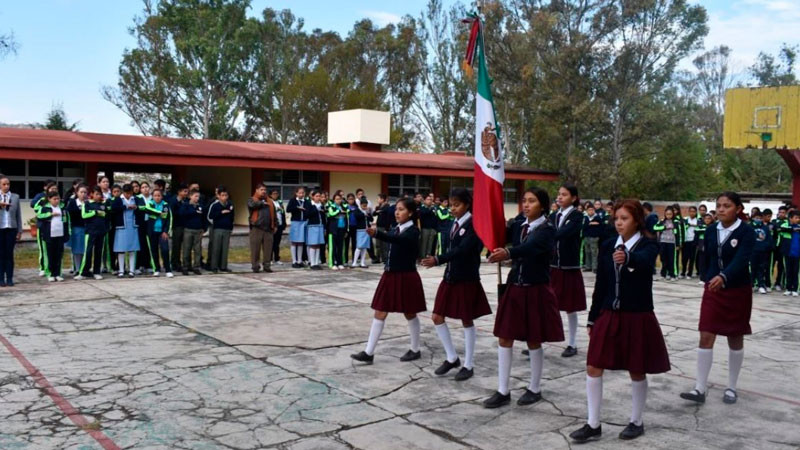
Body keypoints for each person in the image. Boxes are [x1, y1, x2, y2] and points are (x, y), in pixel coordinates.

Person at [569, 199, 670, 443]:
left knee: (636, 369)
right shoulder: (607, 245)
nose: (619, 223)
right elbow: (601, 285)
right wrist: (593, 318)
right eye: (616, 219)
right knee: (594, 365)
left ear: (636, 220)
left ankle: (636, 421)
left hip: (637, 315)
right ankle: (593, 424)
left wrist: (628, 259)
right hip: (608, 314)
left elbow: (646, 264)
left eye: (624, 219)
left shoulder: (648, 245)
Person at [484, 187, 563, 408]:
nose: (526, 205)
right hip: (515, 286)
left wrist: (508, 252)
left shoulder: (547, 229)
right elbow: (500, 233)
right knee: (504, 337)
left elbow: (531, 247)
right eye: (524, 201)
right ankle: (502, 390)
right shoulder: (520, 225)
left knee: (533, 340)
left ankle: (535, 388)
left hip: (535, 288)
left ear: (543, 206)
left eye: (532, 201)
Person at [680, 192, 754, 406]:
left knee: (735, 336)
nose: (721, 209)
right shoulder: (711, 230)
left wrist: (724, 276)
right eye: (719, 205)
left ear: (738, 209)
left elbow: (742, 259)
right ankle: (699, 388)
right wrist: (708, 277)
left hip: (737, 290)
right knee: (705, 335)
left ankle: (731, 387)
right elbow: (708, 256)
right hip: (714, 289)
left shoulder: (746, 232)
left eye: (727, 206)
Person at [422, 188, 491, 381]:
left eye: (457, 205)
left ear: (467, 204)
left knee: (467, 320)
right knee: (437, 317)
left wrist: (438, 259)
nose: (452, 209)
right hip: (450, 277)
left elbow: (462, 250)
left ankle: (468, 365)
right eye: (451, 204)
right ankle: (452, 357)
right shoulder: (455, 222)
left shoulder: (474, 225)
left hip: (466, 278)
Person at [351, 198, 425, 364]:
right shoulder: (396, 228)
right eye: (396, 209)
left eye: (401, 210)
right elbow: (393, 238)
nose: (397, 213)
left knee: (410, 313)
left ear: (411, 213)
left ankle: (415, 349)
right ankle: (368, 352)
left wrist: (377, 233)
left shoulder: (413, 231)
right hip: (390, 275)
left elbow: (398, 241)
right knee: (380, 312)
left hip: (406, 276)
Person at [550, 183, 586, 358]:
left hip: (569, 267)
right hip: (552, 266)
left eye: (564, 194)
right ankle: (538, 339)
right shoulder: (553, 215)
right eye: (559, 194)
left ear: (573, 198)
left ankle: (572, 343)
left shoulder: (577, 216)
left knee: (570, 307)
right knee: (547, 305)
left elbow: (562, 233)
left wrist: (546, 233)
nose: (560, 197)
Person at [37, 191, 70, 282]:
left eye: (58, 199)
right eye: (54, 199)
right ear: (49, 199)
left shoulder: (62, 209)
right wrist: (50, 214)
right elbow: (39, 216)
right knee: (50, 255)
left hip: (60, 235)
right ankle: (50, 273)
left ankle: (58, 273)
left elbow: (67, 221)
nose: (56, 201)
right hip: (49, 235)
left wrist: (68, 233)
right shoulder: (45, 208)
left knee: (59, 254)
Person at [111, 184, 142, 278]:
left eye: (129, 193)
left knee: (132, 249)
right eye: (126, 193)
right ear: (123, 192)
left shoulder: (136, 199)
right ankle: (121, 270)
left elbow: (142, 209)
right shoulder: (118, 199)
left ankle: (132, 270)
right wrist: (126, 207)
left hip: (132, 226)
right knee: (121, 249)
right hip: (121, 227)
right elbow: (114, 209)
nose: (128, 195)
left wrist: (136, 208)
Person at [80, 187, 110, 280]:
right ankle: (84, 272)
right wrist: (95, 212)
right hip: (90, 231)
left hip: (101, 232)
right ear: (92, 194)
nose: (98, 196)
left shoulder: (103, 205)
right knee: (88, 252)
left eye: (100, 194)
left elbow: (106, 216)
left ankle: (97, 271)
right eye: (96, 194)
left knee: (99, 252)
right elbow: (84, 215)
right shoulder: (87, 204)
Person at [144, 188, 173, 277]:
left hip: (162, 232)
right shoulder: (150, 203)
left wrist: (166, 231)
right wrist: (159, 213)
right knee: (154, 251)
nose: (157, 197)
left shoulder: (166, 205)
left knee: (165, 250)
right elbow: (147, 210)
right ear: (152, 196)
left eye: (159, 195)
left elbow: (169, 219)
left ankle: (168, 269)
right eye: (155, 196)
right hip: (152, 231)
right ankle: (156, 269)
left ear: (162, 196)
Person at [246, 184, 276, 274]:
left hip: (268, 228)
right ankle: (255, 266)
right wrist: (262, 203)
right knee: (255, 249)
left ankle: (267, 266)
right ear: (257, 190)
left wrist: (275, 225)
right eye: (261, 189)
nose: (264, 191)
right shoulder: (252, 199)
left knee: (268, 249)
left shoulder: (270, 201)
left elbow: (274, 214)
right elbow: (252, 205)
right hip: (256, 228)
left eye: (265, 190)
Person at [31, 180, 58, 277]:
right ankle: (42, 267)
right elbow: (35, 208)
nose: (54, 190)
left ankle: (54, 269)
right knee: (43, 249)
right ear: (47, 190)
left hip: (55, 228)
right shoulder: (42, 199)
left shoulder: (58, 201)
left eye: (56, 189)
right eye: (52, 189)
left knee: (54, 250)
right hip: (43, 227)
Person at [0, 175, 22, 287]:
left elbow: (18, 215)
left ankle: (9, 278)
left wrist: (19, 231)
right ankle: (1, 278)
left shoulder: (15, 197)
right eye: (4, 184)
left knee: (9, 254)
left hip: (11, 228)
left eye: (8, 184)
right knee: (1, 254)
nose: (6, 186)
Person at [180, 190, 206, 275]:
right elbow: (182, 214)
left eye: (198, 196)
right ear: (190, 196)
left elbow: (204, 217)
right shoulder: (186, 205)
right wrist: (194, 211)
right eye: (195, 196)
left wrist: (204, 228)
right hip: (188, 229)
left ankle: (196, 267)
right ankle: (186, 267)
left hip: (198, 230)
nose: (197, 198)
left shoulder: (201, 206)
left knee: (197, 249)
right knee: (187, 249)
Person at [66, 184, 88, 277]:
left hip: (87, 229)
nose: (83, 194)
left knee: (85, 250)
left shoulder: (88, 203)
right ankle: (77, 268)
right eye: (81, 192)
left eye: (85, 192)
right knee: (77, 250)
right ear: (77, 193)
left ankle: (85, 268)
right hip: (77, 228)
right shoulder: (72, 203)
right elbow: (71, 214)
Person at [750, 211, 773, 294]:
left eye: (760, 218)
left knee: (761, 269)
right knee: (752, 269)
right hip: (753, 251)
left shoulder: (765, 228)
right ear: (753, 218)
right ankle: (751, 285)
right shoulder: (750, 227)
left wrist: (765, 247)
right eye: (756, 218)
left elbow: (769, 239)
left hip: (763, 251)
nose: (758, 219)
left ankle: (761, 285)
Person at [653, 206, 678, 281]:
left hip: (672, 242)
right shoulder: (662, 221)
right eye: (667, 214)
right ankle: (663, 274)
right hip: (663, 242)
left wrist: (678, 244)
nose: (669, 215)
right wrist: (664, 227)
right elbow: (655, 228)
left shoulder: (676, 222)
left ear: (673, 214)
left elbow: (678, 233)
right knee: (663, 258)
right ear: (665, 214)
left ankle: (672, 275)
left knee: (671, 259)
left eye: (670, 214)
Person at [169, 183, 189, 273]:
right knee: (176, 246)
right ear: (179, 192)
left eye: (187, 191)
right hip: (177, 226)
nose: (186, 193)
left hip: (185, 226)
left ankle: (185, 263)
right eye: (184, 191)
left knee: (185, 246)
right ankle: (175, 263)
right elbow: (173, 214)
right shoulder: (173, 201)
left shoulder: (187, 201)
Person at [286, 187, 309, 268]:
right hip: (295, 222)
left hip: (303, 223)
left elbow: (308, 210)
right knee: (294, 242)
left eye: (303, 193)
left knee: (301, 242)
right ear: (296, 193)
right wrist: (297, 208)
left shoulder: (306, 201)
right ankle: (294, 261)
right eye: (299, 193)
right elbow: (288, 209)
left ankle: (299, 260)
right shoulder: (293, 201)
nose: (301, 194)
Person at [326, 193, 348, 270]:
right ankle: (332, 263)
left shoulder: (344, 207)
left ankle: (340, 262)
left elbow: (347, 217)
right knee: (332, 248)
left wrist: (346, 230)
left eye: (340, 199)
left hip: (342, 229)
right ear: (334, 200)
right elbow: (331, 214)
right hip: (333, 230)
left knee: (340, 247)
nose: (339, 200)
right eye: (337, 199)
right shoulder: (331, 206)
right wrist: (339, 211)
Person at [305, 190, 326, 270]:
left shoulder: (321, 205)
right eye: (316, 196)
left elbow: (323, 217)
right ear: (313, 197)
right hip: (312, 226)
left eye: (319, 196)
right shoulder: (310, 204)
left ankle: (316, 262)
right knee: (313, 244)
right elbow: (307, 214)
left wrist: (324, 228)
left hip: (320, 226)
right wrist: (316, 209)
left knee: (318, 245)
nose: (318, 198)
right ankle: (312, 263)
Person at [781, 211, 800, 296]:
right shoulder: (785, 225)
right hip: (788, 253)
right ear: (790, 218)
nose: (798, 219)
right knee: (788, 271)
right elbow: (779, 229)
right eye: (796, 218)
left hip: (797, 254)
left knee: (796, 272)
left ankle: (795, 289)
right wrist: (792, 229)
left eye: (799, 218)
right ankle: (788, 288)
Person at [136, 182, 153, 274]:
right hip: (140, 224)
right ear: (140, 189)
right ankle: (138, 266)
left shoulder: (153, 198)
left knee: (149, 245)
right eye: (143, 187)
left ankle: (148, 265)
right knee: (140, 244)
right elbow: (137, 209)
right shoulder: (137, 198)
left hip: (150, 223)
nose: (145, 189)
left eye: (146, 187)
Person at [351, 198, 373, 268]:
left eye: (366, 205)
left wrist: (368, 213)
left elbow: (371, 219)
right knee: (359, 246)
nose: (365, 207)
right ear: (360, 205)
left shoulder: (367, 211)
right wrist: (364, 214)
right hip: (360, 230)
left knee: (365, 247)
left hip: (367, 230)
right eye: (363, 206)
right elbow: (357, 216)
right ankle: (354, 262)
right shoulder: (357, 211)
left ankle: (362, 262)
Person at [771, 205, 789, 291]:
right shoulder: (774, 221)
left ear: (786, 214)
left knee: (781, 266)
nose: (781, 214)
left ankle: (778, 283)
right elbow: (774, 230)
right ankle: (769, 283)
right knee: (771, 265)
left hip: (783, 247)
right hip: (774, 246)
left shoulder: (788, 222)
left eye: (783, 212)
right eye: (780, 212)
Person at [681, 206, 700, 279]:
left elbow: (699, 227)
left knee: (692, 258)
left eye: (694, 211)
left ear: (696, 212)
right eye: (691, 211)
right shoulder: (685, 219)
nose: (692, 213)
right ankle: (683, 272)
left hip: (693, 241)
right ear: (688, 212)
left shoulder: (698, 220)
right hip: (685, 241)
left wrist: (692, 225)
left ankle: (689, 273)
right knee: (684, 258)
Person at [583, 204, 603, 273]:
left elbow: (600, 227)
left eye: (592, 210)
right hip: (586, 237)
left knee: (594, 252)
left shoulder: (598, 218)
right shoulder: (585, 218)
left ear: (594, 210)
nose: (591, 211)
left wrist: (591, 224)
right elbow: (584, 226)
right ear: (587, 211)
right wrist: (591, 223)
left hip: (594, 237)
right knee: (587, 252)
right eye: (589, 210)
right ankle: (588, 266)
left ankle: (595, 267)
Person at [418, 193, 438, 260]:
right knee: (424, 244)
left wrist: (435, 229)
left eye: (430, 199)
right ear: (424, 201)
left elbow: (435, 218)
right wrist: (431, 209)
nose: (430, 201)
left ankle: (428, 257)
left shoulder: (433, 208)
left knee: (430, 243)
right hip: (425, 228)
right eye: (428, 199)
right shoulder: (422, 207)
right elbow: (425, 213)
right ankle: (422, 258)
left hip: (432, 228)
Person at [374, 194, 392, 263]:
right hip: (378, 226)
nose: (377, 200)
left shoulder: (387, 207)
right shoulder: (378, 207)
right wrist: (377, 211)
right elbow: (374, 213)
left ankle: (385, 259)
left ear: (382, 199)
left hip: (384, 227)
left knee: (384, 244)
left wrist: (386, 229)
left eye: (378, 199)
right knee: (378, 244)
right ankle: (378, 258)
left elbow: (388, 219)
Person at [270, 189, 287, 265]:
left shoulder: (279, 202)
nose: (275, 195)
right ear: (270, 195)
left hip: (279, 224)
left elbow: (283, 213)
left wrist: (284, 223)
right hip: (272, 225)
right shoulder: (269, 202)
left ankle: (277, 258)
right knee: (271, 242)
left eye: (276, 193)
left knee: (277, 243)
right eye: (274, 193)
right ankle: (269, 259)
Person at [696, 213, 713, 285]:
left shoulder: (713, 227)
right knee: (702, 263)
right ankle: (702, 278)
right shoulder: (700, 226)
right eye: (706, 218)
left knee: (710, 263)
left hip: (710, 247)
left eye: (709, 218)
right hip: (702, 247)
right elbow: (697, 230)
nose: (707, 220)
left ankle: (709, 278)